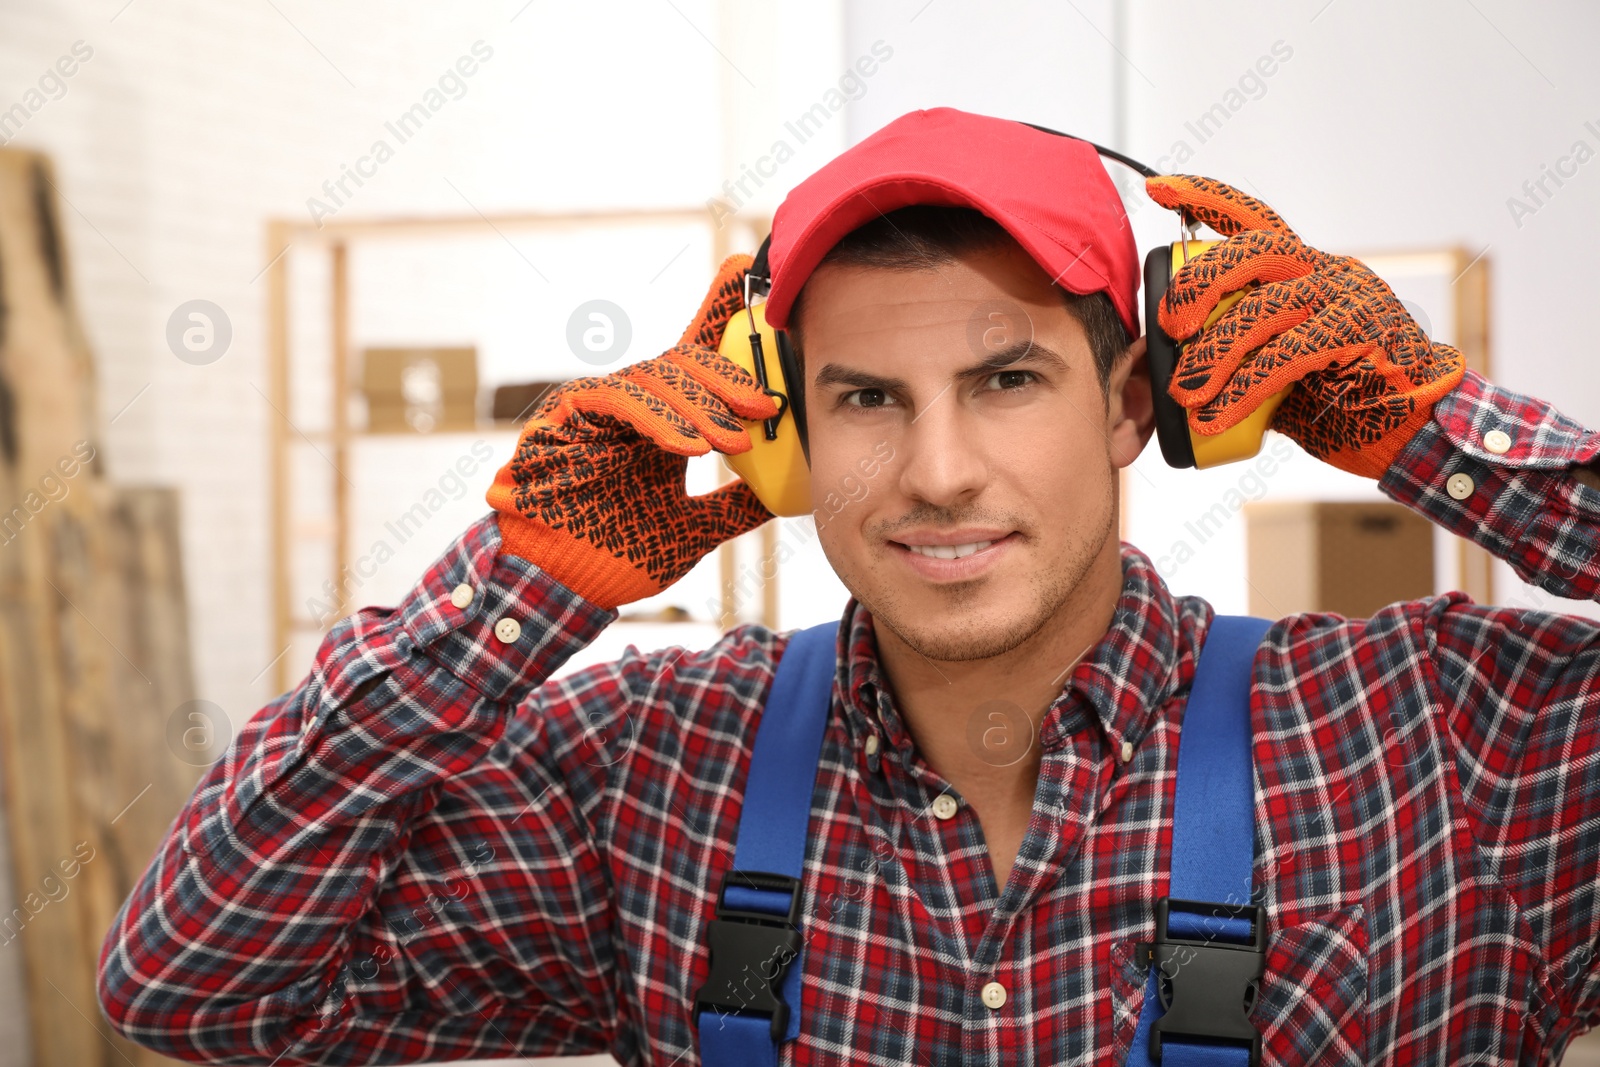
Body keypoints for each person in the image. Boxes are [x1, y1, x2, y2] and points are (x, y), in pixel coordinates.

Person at [98, 107, 1600, 1065]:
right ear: (784, 435)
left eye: (1008, 378)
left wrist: (1447, 439)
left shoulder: (1448, 744)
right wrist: (518, 592)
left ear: (1138, 405)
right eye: (868, 399)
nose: (938, 471)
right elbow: (196, 984)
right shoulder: (648, 771)